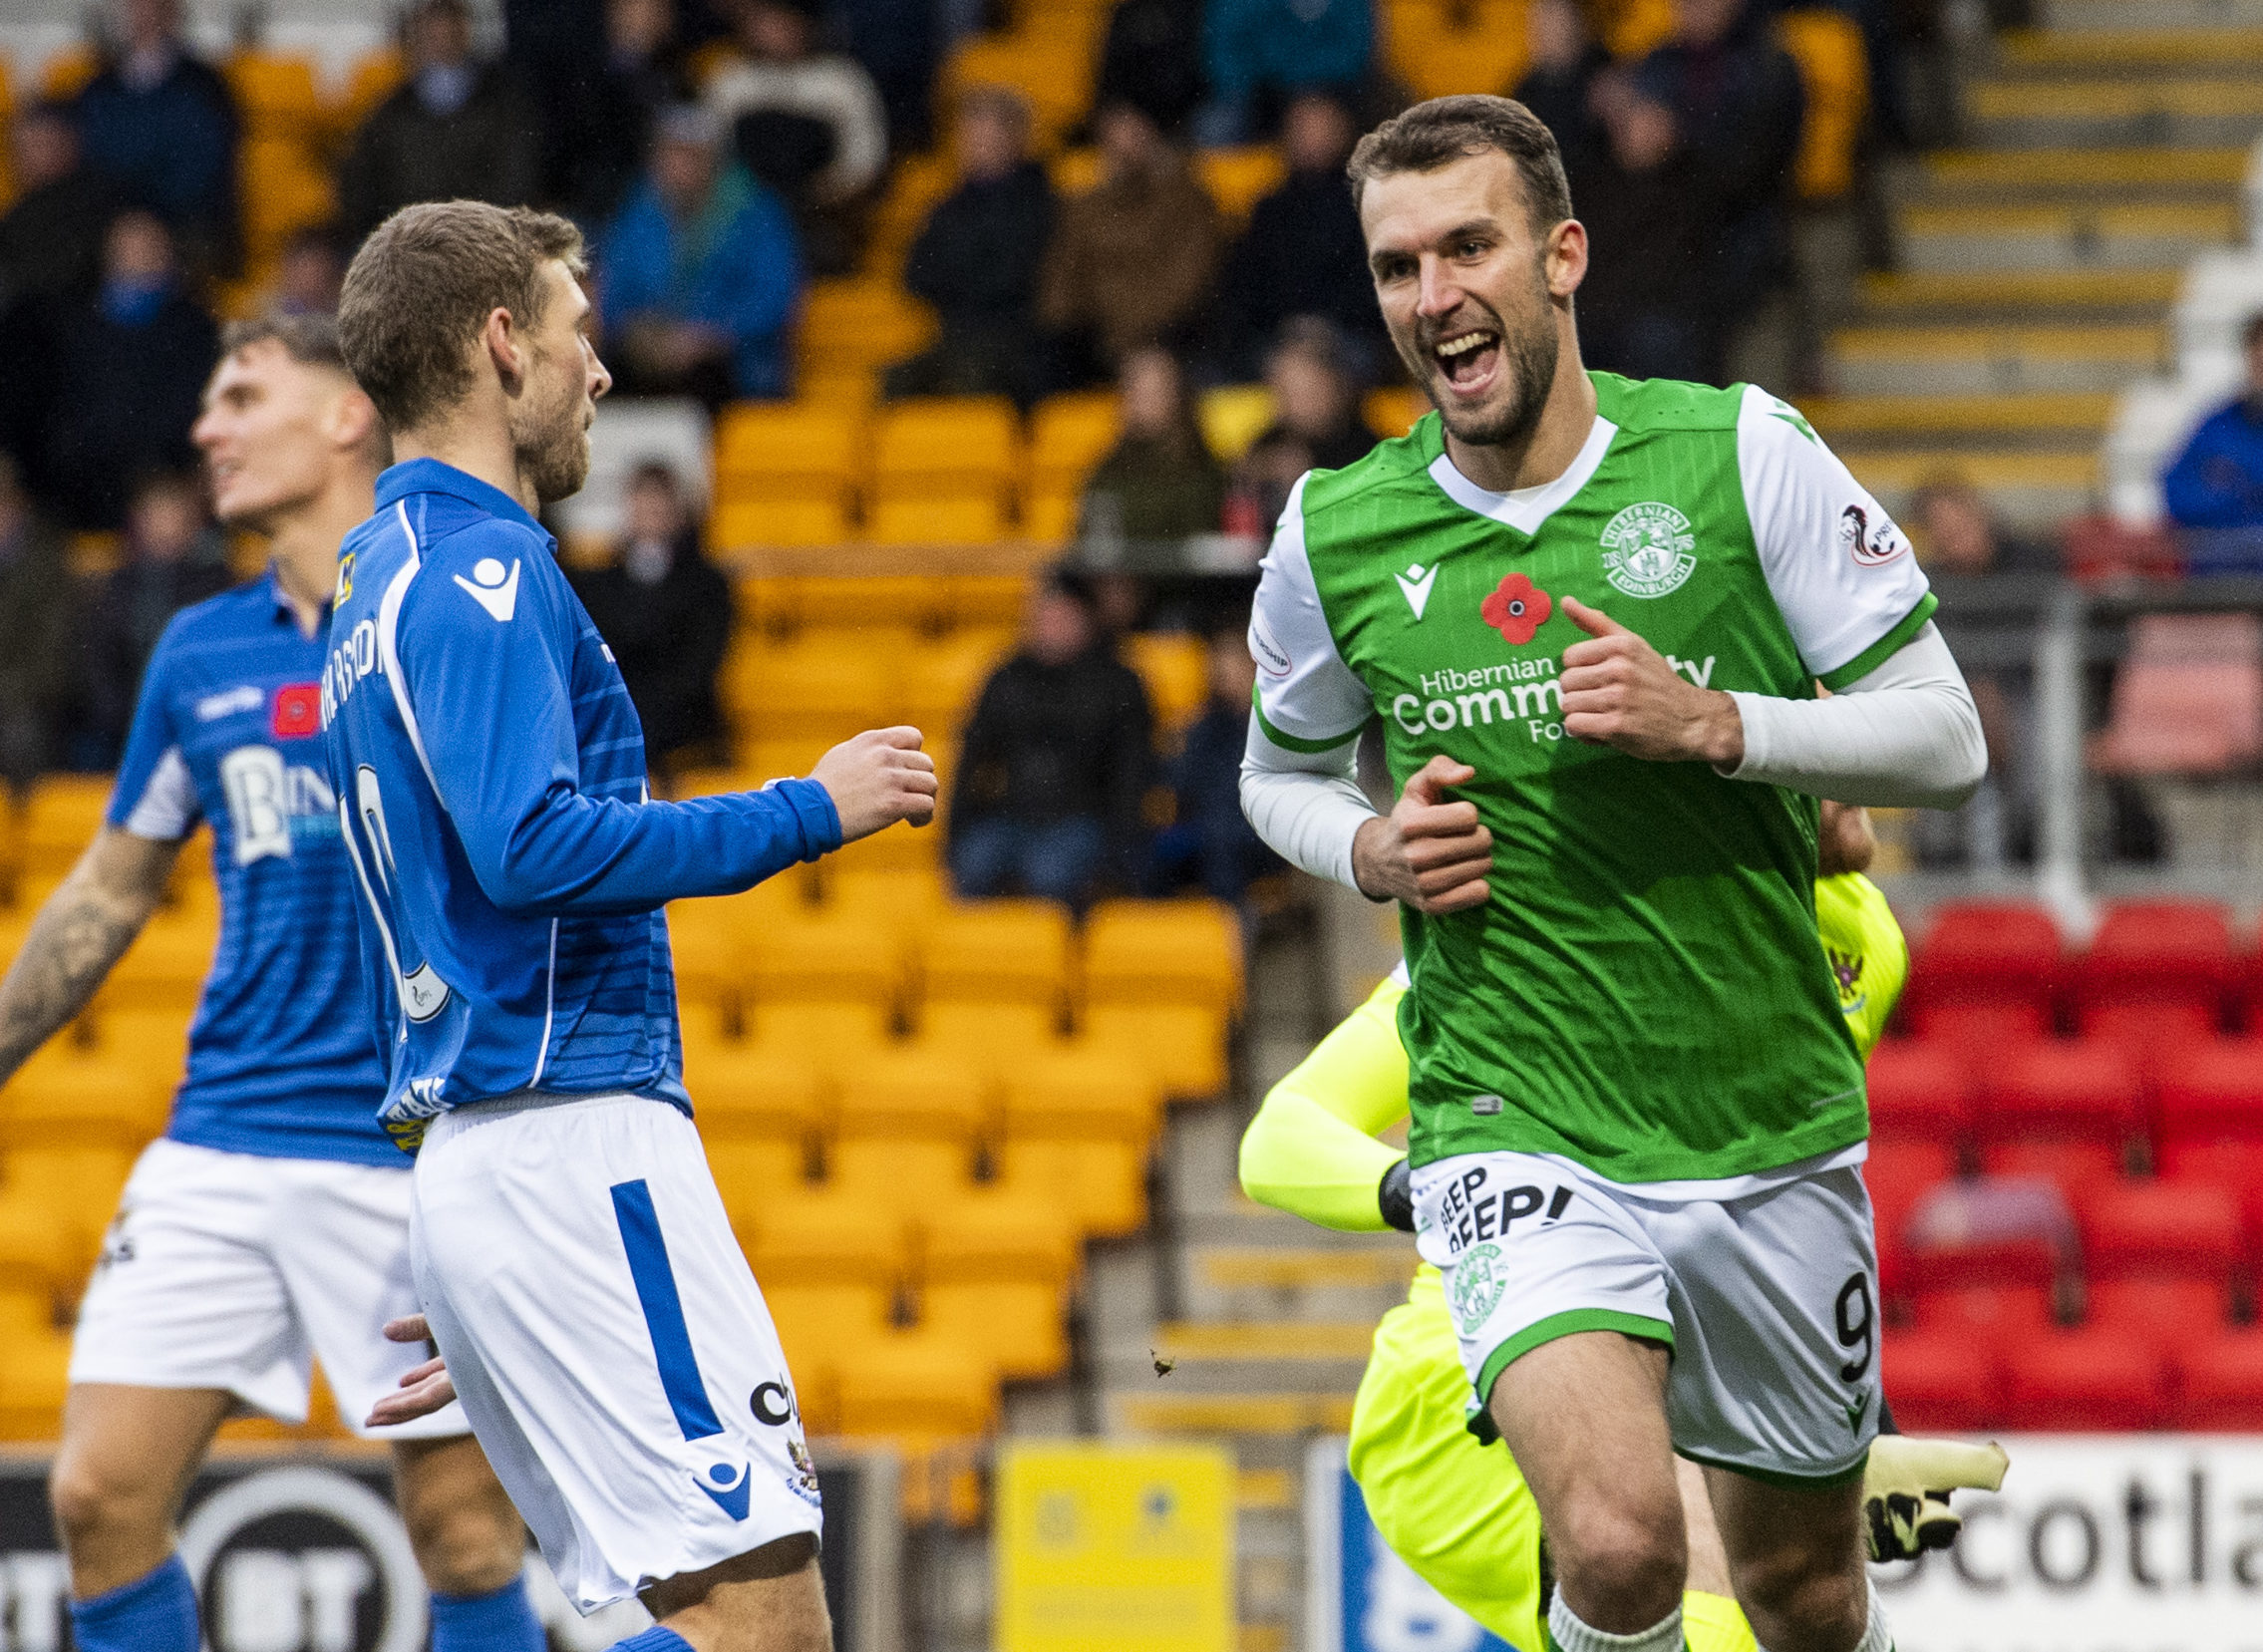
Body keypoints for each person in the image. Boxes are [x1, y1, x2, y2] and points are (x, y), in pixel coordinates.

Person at [1237, 96, 1985, 1652]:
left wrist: (1719, 724)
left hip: (1762, 1127)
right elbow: (1275, 776)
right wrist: (1365, 844)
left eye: (1467, 246)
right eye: (1395, 267)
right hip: (1519, 1121)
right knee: (1622, 1544)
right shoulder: (1336, 532)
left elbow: (1941, 737)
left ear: (1560, 253)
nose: (1431, 296)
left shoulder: (1736, 452)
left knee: (1801, 1591)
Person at [327, 199, 936, 1651]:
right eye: (579, 334)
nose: (601, 373)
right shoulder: (482, 573)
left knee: (725, 1613)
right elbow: (527, 847)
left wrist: (486, 1251)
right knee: (768, 1627)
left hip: (496, 1156)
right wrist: (806, 807)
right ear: (501, 343)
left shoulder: (369, 587)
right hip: (570, 1143)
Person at [0, 315, 543, 1652]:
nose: (207, 428)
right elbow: (117, 883)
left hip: (414, 1151)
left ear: (351, 414)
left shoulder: (459, 605)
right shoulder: (199, 651)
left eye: (242, 394)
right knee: (96, 1496)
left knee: (464, 1536)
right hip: (220, 1138)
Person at [1239, 803, 2009, 1651]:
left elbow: (1781, 1209)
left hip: (1679, 1362)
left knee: (1800, 1605)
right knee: (1707, 1580)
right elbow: (1280, 1137)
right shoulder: (1566, 921)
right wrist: (1440, 1191)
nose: (1850, 760)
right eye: (1802, 715)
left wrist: (1857, 1425)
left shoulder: (1868, 935)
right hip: (1470, 1373)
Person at [948, 570, 1154, 907]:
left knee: (1050, 873)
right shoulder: (1005, 678)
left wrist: (1121, 855)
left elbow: (1130, 776)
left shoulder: (1118, 683)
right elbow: (972, 759)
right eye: (1042, 615)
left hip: (1082, 822)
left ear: (1085, 621)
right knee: (974, 860)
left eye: (1061, 616)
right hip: (1011, 817)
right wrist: (956, 832)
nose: (1049, 625)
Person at [1629, 0, 1806, 386]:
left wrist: (1676, 142)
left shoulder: (1769, 66)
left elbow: (1759, 167)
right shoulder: (1655, 66)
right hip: (1667, 246)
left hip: (1741, 237)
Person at [599, 105, 804, 404]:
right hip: (650, 360)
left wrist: (710, 336)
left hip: (733, 364)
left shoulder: (756, 212)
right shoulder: (639, 211)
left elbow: (774, 299)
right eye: (674, 154)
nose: (682, 167)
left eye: (693, 155)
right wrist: (641, 334)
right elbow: (615, 290)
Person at [38, 210, 218, 529]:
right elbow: (64, 419)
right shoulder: (76, 330)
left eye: (149, 247)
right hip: (91, 497)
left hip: (175, 490)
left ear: (167, 254)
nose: (138, 259)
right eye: (128, 248)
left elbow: (197, 411)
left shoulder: (194, 328)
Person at [884, 86, 1056, 405]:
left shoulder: (1038, 202)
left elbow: (1016, 277)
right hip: (955, 336)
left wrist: (959, 275)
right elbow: (915, 275)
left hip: (1017, 343)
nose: (971, 142)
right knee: (896, 380)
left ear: (1014, 136)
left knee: (971, 374)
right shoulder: (947, 207)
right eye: (967, 132)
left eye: (983, 131)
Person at [565, 460, 735, 774]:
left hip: (684, 737)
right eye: (643, 499)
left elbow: (699, 667)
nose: (652, 510)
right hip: (615, 727)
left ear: (679, 510)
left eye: (661, 500)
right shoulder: (597, 584)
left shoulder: (708, 585)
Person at [1039, 100, 1221, 388]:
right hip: (1099, 343)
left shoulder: (1188, 200)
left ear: (1153, 135)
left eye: (1133, 131)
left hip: (1167, 338)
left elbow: (1189, 282)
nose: (1124, 144)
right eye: (1113, 133)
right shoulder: (1084, 209)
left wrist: (1129, 336)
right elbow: (1060, 288)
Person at [1209, 92, 1386, 383]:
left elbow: (1375, 287)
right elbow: (1247, 287)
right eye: (1303, 128)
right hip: (1277, 338)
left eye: (1321, 128)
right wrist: (1289, 328)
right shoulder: (1268, 209)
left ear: (1344, 133)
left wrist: (1324, 327)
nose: (1312, 139)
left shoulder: (1370, 206)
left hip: (1347, 337)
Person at [703, 0, 888, 275]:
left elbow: (864, 162)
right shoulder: (730, 81)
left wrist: (819, 195)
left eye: (784, 22)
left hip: (817, 213)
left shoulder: (842, 81)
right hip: (744, 212)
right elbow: (711, 157)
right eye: (766, 22)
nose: (775, 31)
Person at [337, 0, 542, 241]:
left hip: (484, 238)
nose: (442, 46)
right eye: (433, 37)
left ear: (465, 35)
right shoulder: (391, 111)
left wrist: (471, 225)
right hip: (408, 241)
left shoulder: (504, 105)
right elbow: (363, 183)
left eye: (450, 36)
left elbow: (515, 178)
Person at [72, 469, 235, 768]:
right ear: (138, 522)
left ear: (192, 524)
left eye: (172, 515)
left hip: (194, 718)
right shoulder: (117, 586)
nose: (164, 527)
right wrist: (126, 716)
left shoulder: (215, 584)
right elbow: (98, 663)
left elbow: (217, 664)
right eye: (155, 515)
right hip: (121, 725)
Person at [69, 0, 239, 272]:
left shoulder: (204, 85)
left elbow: (205, 164)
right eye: (137, 6)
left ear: (174, 12)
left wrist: (151, 219)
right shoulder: (98, 88)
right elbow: (90, 159)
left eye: (156, 6)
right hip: (112, 223)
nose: (146, 16)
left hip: (182, 225)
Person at [1145, 629, 1280, 902]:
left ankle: (1231, 925)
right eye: (1219, 669)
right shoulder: (1204, 726)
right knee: (1151, 848)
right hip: (1207, 826)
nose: (1224, 678)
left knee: (1221, 841)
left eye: (1232, 668)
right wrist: (1178, 749)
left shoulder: (1275, 726)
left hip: (1258, 833)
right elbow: (1180, 785)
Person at [543, 0, 694, 224]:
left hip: (653, 205)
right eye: (631, 7)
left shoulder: (681, 75)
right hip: (591, 201)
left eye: (653, 8)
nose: (640, 16)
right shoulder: (578, 74)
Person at [1229, 320, 1378, 529]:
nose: (1297, 404)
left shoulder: (1368, 449)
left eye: (1309, 391)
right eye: (1288, 392)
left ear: (1337, 385)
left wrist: (1309, 479)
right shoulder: (1268, 443)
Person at [1078, 347, 1226, 541]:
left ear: (1176, 396)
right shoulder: (1109, 469)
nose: (1143, 402)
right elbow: (1093, 541)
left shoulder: (1201, 468)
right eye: (1135, 391)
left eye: (1155, 392)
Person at [0, 456, 76, 794]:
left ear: (16, 504)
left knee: (21, 736)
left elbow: (50, 660)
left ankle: (19, 841)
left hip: (25, 704)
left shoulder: (46, 562)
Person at [1198, 0, 1373, 144]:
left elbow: (1354, 49)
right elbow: (1226, 50)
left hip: (1332, 91)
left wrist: (1309, 94)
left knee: (1321, 129)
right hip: (1259, 93)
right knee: (1217, 129)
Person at [2162, 312, 2263, 531]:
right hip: (2225, 558)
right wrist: (2243, 497)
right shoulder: (2218, 425)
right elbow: (2177, 495)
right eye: (2259, 362)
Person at [1093, 0, 1208, 138]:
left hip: (1178, 119)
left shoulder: (1191, 10)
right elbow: (1110, 79)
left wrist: (1151, 121)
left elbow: (1190, 77)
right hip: (1132, 119)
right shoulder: (1126, 12)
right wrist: (1125, 115)